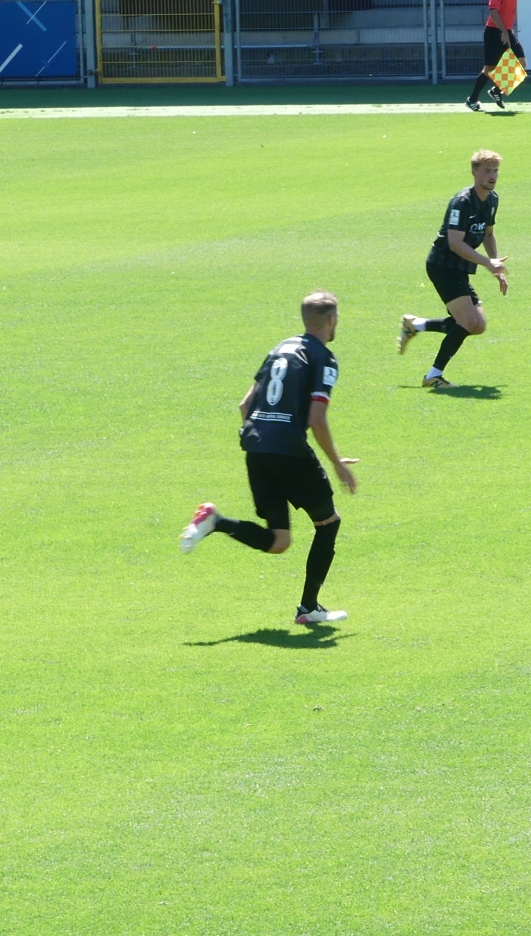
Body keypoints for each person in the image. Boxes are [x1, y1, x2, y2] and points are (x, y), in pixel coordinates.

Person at [180, 291, 357, 626]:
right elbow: (317, 418)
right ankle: (309, 609)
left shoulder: (280, 348)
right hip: (288, 450)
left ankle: (215, 521)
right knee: (328, 524)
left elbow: (245, 405)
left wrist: (262, 438)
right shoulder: (324, 358)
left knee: (279, 541)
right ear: (331, 320)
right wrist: (336, 464)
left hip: (257, 447)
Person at [398, 150, 507, 390]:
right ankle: (433, 376)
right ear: (474, 172)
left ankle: (416, 325)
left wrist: (495, 263)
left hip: (461, 267)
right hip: (443, 265)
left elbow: (488, 233)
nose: (492, 176)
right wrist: (487, 264)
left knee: (477, 325)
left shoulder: (492, 199)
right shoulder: (462, 201)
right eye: (487, 171)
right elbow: (454, 243)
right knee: (467, 321)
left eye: (495, 171)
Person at [466, 0, 523, 111]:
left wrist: (508, 31)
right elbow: (493, 11)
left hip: (506, 31)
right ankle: (472, 99)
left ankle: (496, 90)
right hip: (494, 32)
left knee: (521, 63)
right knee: (489, 69)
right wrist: (503, 31)